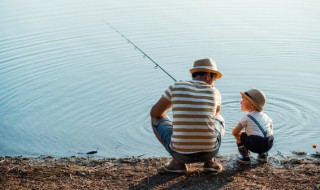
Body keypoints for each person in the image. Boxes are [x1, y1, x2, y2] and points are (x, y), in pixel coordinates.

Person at [150, 58, 225, 174]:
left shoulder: (175, 87)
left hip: (181, 154)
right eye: (214, 79)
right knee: (219, 119)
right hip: (210, 151)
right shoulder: (215, 92)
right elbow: (215, 115)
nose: (214, 83)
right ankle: (210, 161)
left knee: (156, 118)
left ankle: (177, 163)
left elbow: (154, 113)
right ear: (208, 76)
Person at [232, 89, 274, 164]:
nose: (240, 102)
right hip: (269, 143)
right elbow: (270, 129)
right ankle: (263, 155)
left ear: (252, 104)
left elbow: (235, 132)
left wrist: (243, 134)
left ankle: (244, 157)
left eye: (243, 100)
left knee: (239, 134)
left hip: (256, 145)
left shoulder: (247, 117)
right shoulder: (266, 116)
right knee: (262, 134)